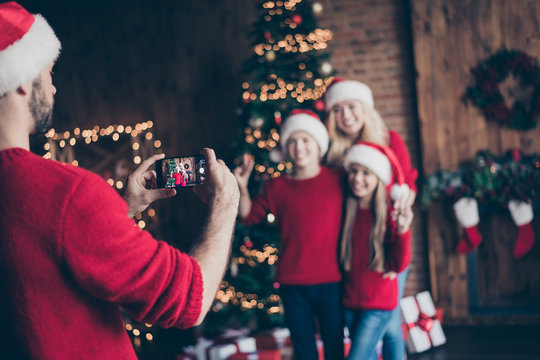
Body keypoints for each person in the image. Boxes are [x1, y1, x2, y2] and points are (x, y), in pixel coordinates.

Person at [0, 2, 239, 358]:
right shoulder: (68, 193)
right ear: (21, 81)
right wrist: (225, 206)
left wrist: (120, 210)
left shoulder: (55, 200)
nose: (53, 89)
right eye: (49, 73)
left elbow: (40, 257)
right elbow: (188, 300)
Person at [233, 109, 344, 360]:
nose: (299, 147)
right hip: (293, 281)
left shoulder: (338, 180)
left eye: (305, 140)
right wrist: (242, 188)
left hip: (331, 280)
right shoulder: (277, 186)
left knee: (334, 343)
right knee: (303, 348)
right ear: (285, 148)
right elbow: (249, 216)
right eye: (292, 141)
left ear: (318, 145)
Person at [324, 78, 417, 360]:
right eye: (337, 109)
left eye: (351, 107)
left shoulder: (390, 141)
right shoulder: (332, 153)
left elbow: (407, 186)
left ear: (365, 108)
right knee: (388, 324)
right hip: (355, 246)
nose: (346, 115)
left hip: (388, 244)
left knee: (385, 317)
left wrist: (399, 230)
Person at [340, 142, 413, 360]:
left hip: (378, 303)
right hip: (351, 300)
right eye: (353, 171)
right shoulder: (347, 210)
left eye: (366, 173)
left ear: (378, 177)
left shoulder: (389, 213)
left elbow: (398, 263)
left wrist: (402, 230)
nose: (357, 178)